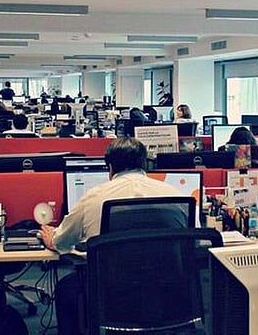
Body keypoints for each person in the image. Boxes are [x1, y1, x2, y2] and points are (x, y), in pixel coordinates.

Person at [40, 138, 189, 334]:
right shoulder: (177, 195)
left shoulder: (94, 197)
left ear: (109, 167)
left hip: (114, 295)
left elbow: (62, 241)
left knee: (66, 288)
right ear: (145, 163)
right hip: (168, 293)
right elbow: (194, 241)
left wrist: (52, 239)